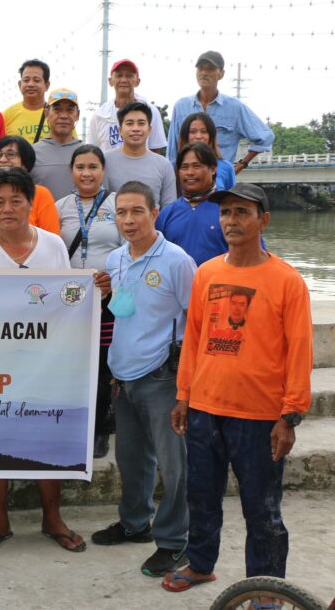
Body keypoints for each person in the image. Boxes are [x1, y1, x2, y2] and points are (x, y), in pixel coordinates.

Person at [165, 183, 312, 593]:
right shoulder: (207, 272)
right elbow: (193, 339)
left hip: (260, 417)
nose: (231, 220)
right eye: (226, 213)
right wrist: (184, 395)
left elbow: (300, 352)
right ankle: (199, 564)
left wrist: (290, 415)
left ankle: (265, 589)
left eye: (242, 212)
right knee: (202, 497)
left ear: (263, 220)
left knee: (262, 511)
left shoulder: (287, 281)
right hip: (205, 408)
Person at [0, 167, 89, 554]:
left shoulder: (52, 246)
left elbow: (68, 302)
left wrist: (94, 290)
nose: (8, 208)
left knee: (48, 439)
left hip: (44, 363)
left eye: (16, 200)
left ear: (32, 203)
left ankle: (53, 519)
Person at [91, 180, 196, 578]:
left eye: (138, 211)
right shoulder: (116, 258)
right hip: (122, 375)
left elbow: (195, 322)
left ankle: (174, 543)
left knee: (174, 464)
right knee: (132, 459)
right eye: (122, 212)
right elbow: (121, 306)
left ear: (155, 213)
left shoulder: (177, 261)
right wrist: (103, 289)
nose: (129, 220)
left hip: (163, 377)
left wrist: (185, 384)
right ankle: (135, 523)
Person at [55, 144, 122, 458]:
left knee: (103, 362)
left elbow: (129, 252)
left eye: (93, 167)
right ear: (72, 171)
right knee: (74, 362)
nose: (86, 173)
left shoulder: (118, 204)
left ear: (103, 170)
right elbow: (53, 253)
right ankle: (72, 422)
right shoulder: (60, 206)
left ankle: (100, 427)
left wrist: (114, 282)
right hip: (70, 301)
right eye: (80, 167)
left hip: (108, 297)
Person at [167, 51, 274, 170]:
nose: (204, 73)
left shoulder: (235, 108)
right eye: (200, 69)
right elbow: (172, 151)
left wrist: (239, 166)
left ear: (221, 74)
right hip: (187, 180)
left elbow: (265, 137)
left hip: (220, 178)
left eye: (210, 69)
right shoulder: (181, 106)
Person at [0, 136, 60, 235]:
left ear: (25, 162)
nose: (2, 160)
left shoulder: (41, 194)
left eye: (10, 155)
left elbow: (51, 238)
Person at [156, 143, 229, 266]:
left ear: (212, 169)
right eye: (184, 167)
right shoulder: (166, 214)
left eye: (197, 166)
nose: (190, 172)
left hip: (218, 284)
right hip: (177, 284)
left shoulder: (229, 210)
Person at [105, 102, 177, 208]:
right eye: (129, 123)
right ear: (120, 130)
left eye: (141, 123)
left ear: (149, 129)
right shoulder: (105, 161)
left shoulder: (164, 165)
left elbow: (169, 209)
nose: (135, 128)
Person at [88, 59, 167, 155]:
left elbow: (156, 150)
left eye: (129, 76)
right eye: (119, 75)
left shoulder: (151, 111)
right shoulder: (99, 115)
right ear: (110, 81)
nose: (124, 80)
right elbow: (92, 151)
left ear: (137, 81)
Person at [2, 59, 74, 144]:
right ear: (19, 84)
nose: (30, 84)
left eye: (36, 80)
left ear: (47, 85)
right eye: (26, 80)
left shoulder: (58, 114)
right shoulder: (7, 115)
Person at [31, 88, 84, 200]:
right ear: (46, 113)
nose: (63, 116)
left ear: (77, 115)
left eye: (70, 110)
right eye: (57, 110)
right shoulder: (31, 153)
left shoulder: (88, 154)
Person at [176, 112, 236, 191]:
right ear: (186, 136)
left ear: (211, 136)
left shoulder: (226, 167)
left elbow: (232, 200)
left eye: (204, 131)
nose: (198, 136)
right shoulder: (175, 167)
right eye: (193, 132)